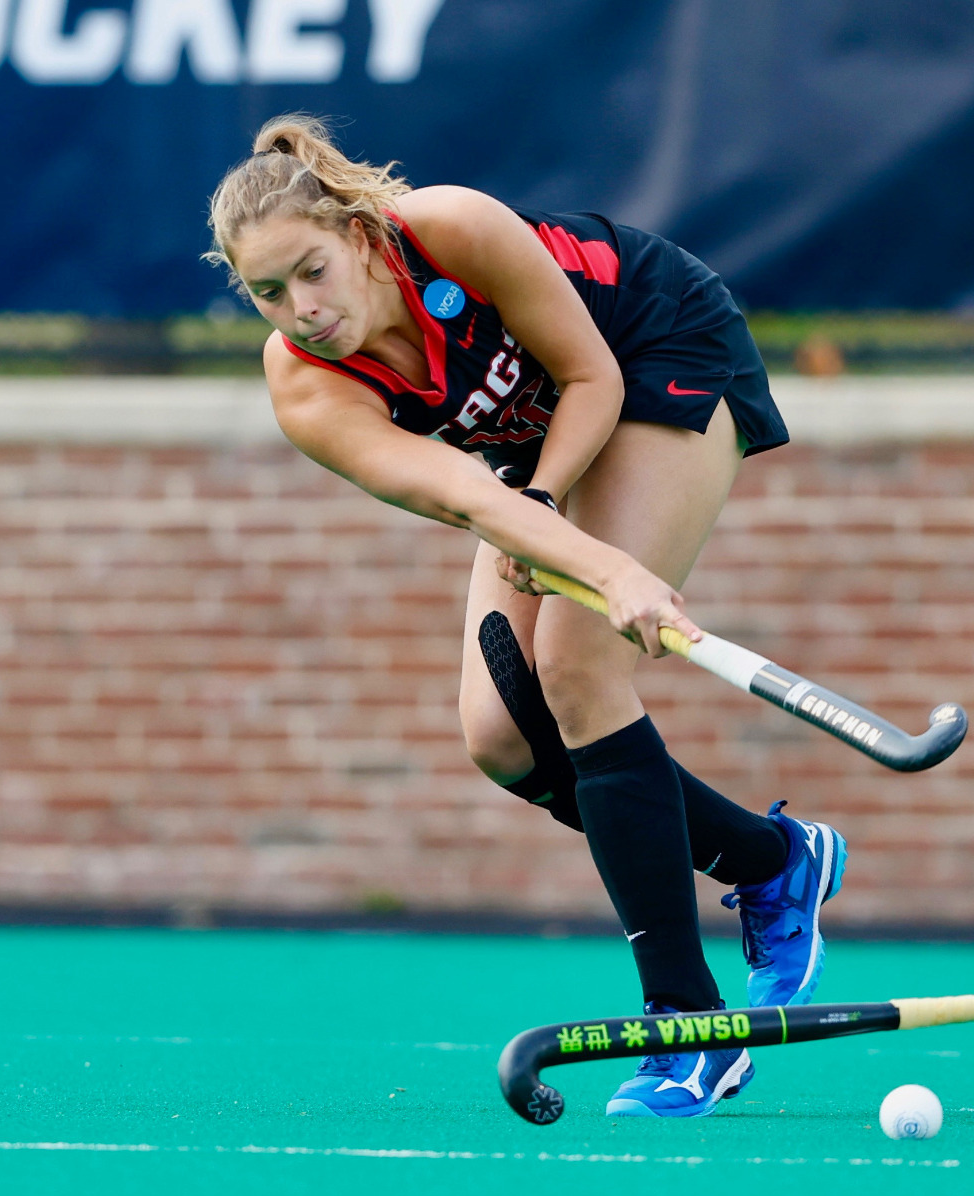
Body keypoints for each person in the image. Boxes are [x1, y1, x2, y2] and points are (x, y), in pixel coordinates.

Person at [205, 115, 847, 1118]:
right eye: (269, 293)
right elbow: (467, 498)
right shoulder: (307, 385)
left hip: (649, 345)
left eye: (312, 272)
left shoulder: (451, 229)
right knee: (501, 738)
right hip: (534, 441)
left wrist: (591, 555)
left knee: (580, 665)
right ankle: (777, 863)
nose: (302, 310)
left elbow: (590, 377)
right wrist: (576, 542)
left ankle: (690, 1029)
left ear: (362, 239)